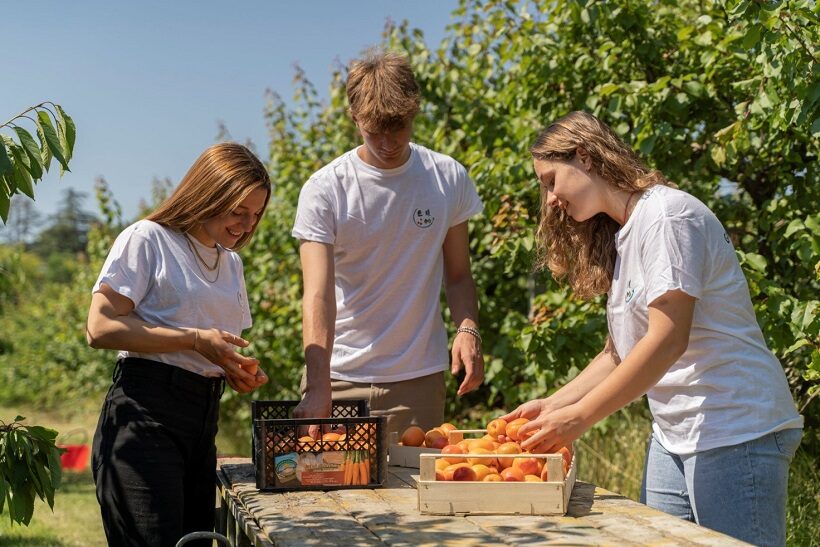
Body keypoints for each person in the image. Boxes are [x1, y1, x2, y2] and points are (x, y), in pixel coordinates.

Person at [502, 111, 803, 546]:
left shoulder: (666, 217)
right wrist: (553, 405)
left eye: (551, 180)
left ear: (584, 157)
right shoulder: (628, 234)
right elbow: (618, 353)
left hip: (734, 429)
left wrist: (578, 418)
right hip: (675, 436)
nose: (549, 199)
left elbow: (667, 340)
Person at [86, 142, 271, 547]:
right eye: (238, 210)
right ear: (209, 191)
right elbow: (98, 327)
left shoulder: (231, 264)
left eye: (256, 214)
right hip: (145, 416)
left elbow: (208, 348)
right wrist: (195, 340)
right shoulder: (149, 239)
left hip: (202, 423)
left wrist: (233, 368)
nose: (246, 224)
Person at [291, 50, 485, 435]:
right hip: (338, 377)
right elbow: (317, 295)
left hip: (419, 380)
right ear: (354, 118)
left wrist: (468, 329)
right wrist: (318, 385)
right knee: (329, 494)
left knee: (415, 494)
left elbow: (459, 275)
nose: (387, 141)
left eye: (397, 127)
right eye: (373, 129)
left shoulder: (447, 178)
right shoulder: (325, 189)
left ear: (414, 112)